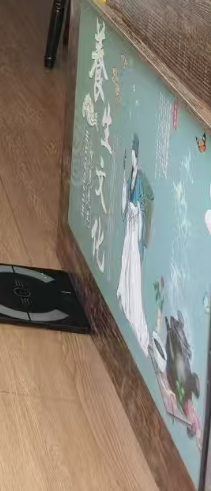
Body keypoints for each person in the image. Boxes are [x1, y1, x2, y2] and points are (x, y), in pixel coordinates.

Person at [116, 135, 152, 356]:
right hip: (130, 229)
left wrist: (136, 211)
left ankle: (134, 314)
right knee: (125, 260)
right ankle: (125, 301)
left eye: (133, 155)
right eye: (131, 156)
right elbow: (127, 200)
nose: (132, 159)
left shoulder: (141, 179)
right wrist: (124, 187)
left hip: (134, 226)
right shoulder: (131, 176)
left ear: (137, 156)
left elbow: (145, 203)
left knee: (134, 270)